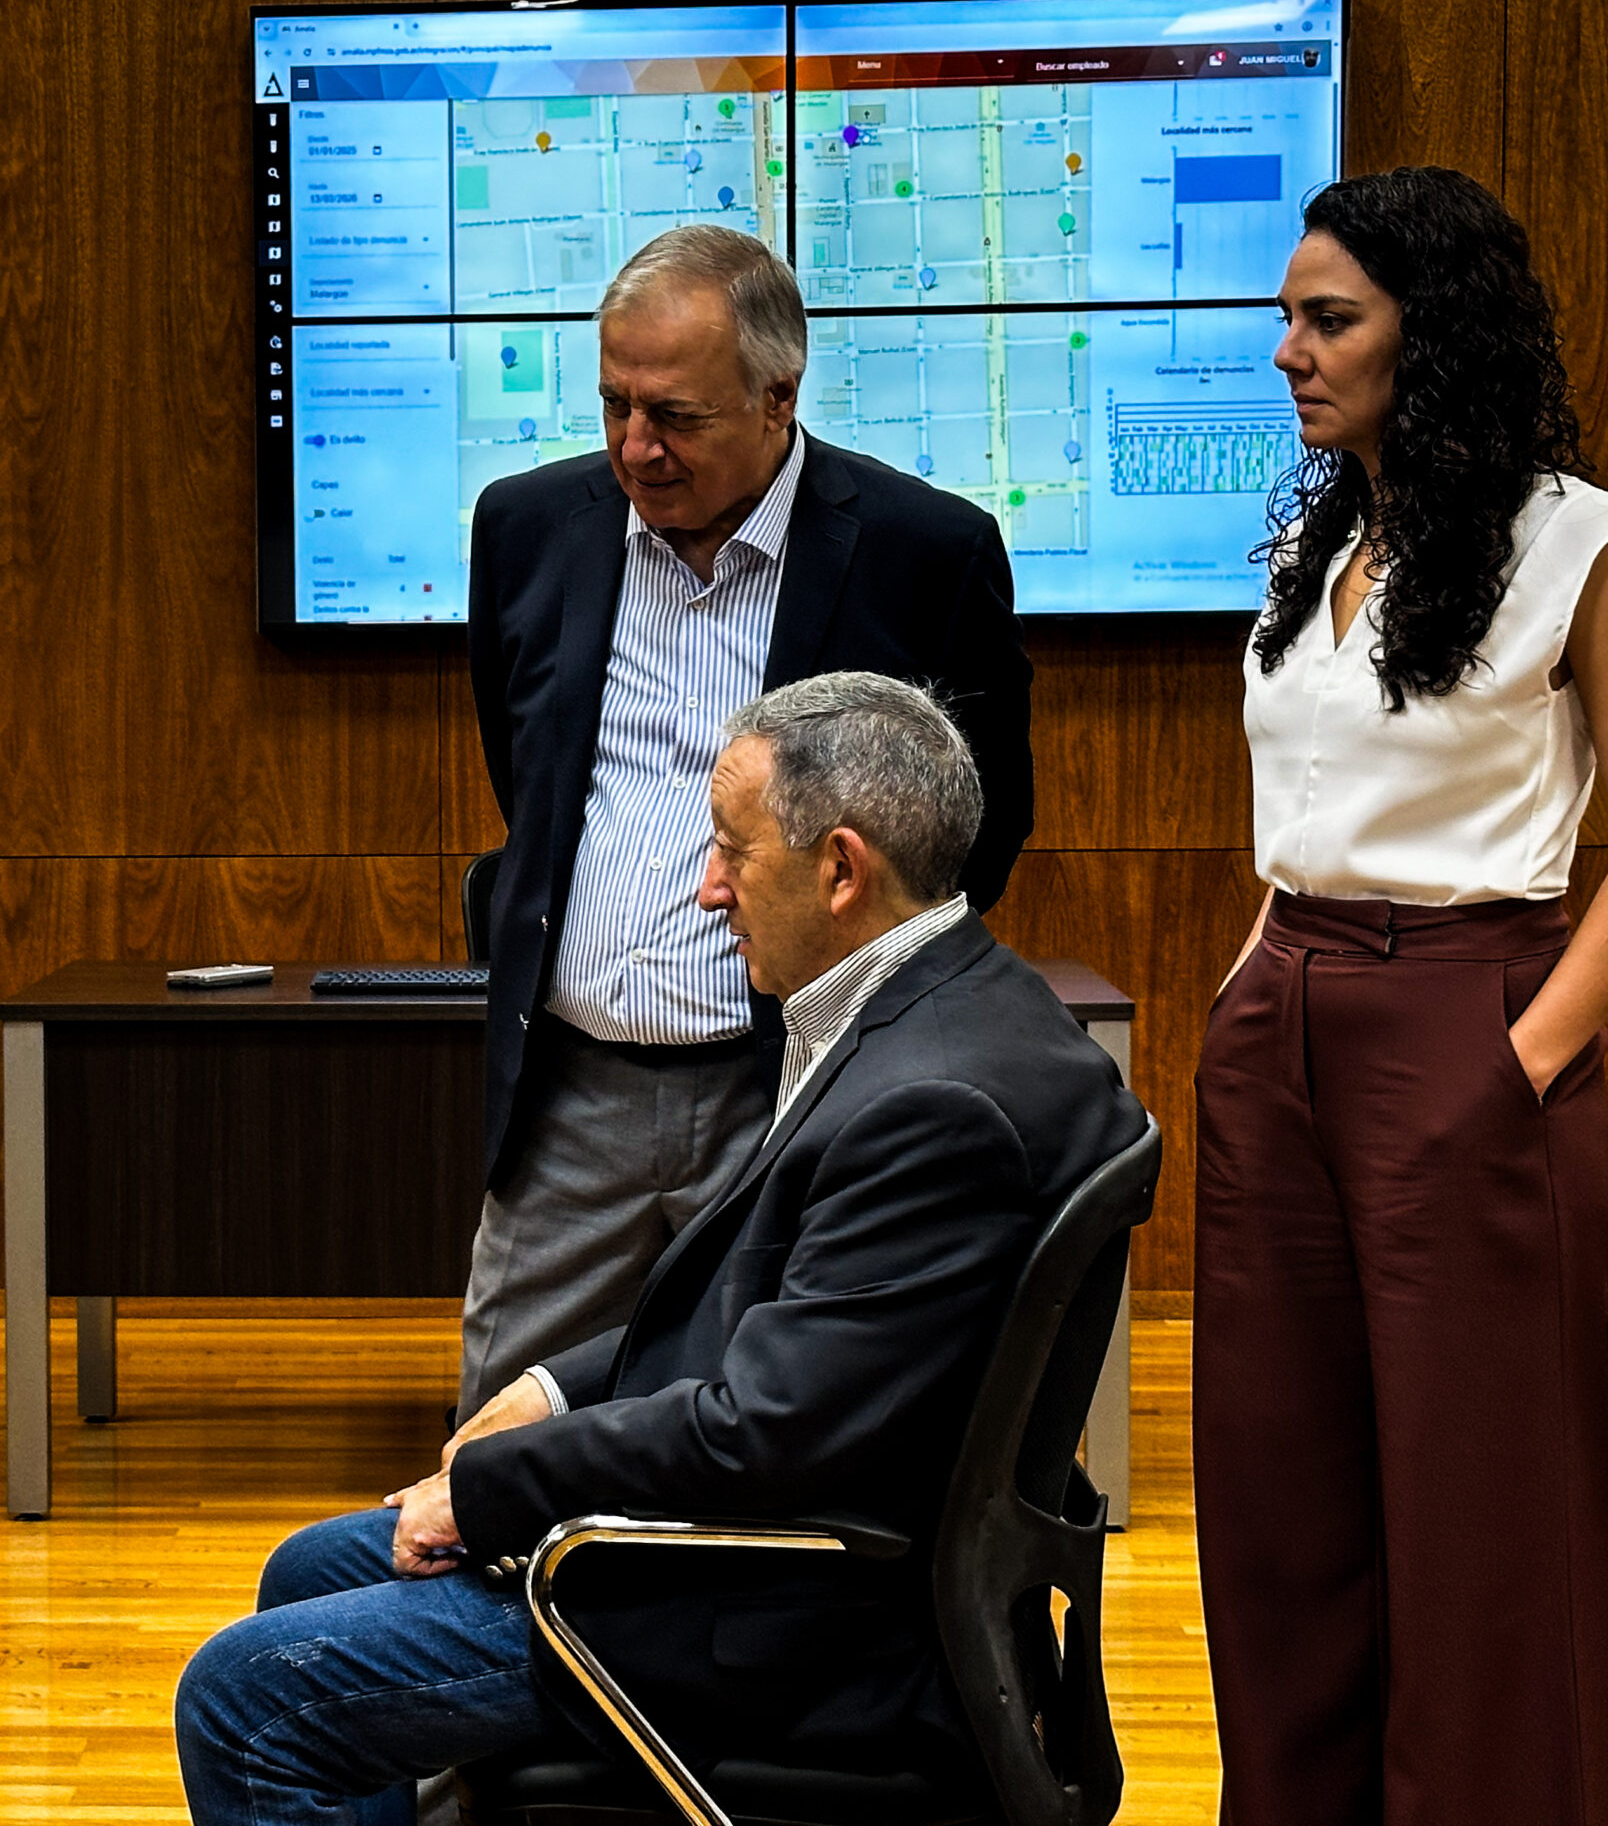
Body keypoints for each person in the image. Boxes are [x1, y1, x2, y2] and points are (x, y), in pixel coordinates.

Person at [174, 673, 1141, 1826]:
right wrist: (545, 1392)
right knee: (310, 1571)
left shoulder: (931, 1108)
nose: (705, 889)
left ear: (839, 870)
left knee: (242, 1700)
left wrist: (484, 1494)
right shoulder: (950, 1009)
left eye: (732, 850)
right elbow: (779, 1330)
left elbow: (762, 1435)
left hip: (794, 1623)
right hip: (807, 1557)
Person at [459, 224, 1034, 1420]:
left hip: (795, 1088)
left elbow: (973, 830)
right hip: (570, 1095)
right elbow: (530, 781)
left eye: (674, 415)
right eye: (614, 405)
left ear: (779, 396)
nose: (635, 445)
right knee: (504, 1442)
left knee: (763, 1431)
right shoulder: (526, 527)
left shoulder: (925, 553)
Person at [1196, 165, 1608, 1826]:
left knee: (1478, 1512)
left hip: (1470, 1021)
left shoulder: (1576, 537)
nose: (1287, 350)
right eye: (1287, 316)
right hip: (1282, 1020)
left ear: (1431, 334)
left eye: (1328, 319)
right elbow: (1306, 809)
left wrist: (1523, 1061)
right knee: (1280, 1499)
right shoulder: (1324, 538)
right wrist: (1248, 994)